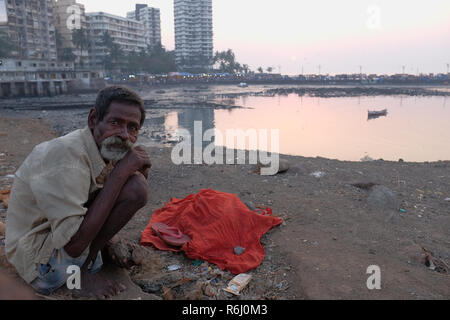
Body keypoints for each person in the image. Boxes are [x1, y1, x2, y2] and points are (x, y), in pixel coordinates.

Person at [5, 86, 151, 298]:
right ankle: (80, 274)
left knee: (136, 186)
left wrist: (136, 171)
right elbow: (72, 244)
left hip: (60, 237)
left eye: (133, 128)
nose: (124, 135)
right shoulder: (68, 158)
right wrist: (121, 172)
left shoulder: (101, 146)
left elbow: (126, 194)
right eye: (115, 123)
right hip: (39, 264)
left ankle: (91, 259)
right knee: (130, 184)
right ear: (93, 119)